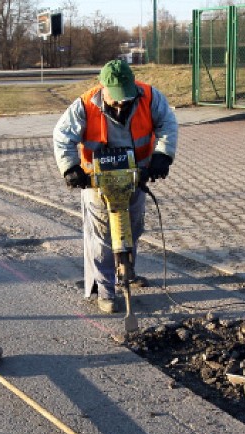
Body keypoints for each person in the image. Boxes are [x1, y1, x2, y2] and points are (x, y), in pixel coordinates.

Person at [53, 59, 178, 314]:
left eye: (127, 96)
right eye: (117, 97)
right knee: (103, 238)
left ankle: (126, 272)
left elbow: (168, 124)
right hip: (97, 182)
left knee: (132, 228)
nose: (122, 102)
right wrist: (71, 169)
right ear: (103, 88)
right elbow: (62, 136)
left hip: (135, 177)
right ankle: (106, 290)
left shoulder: (150, 97)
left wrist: (162, 155)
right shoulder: (85, 104)